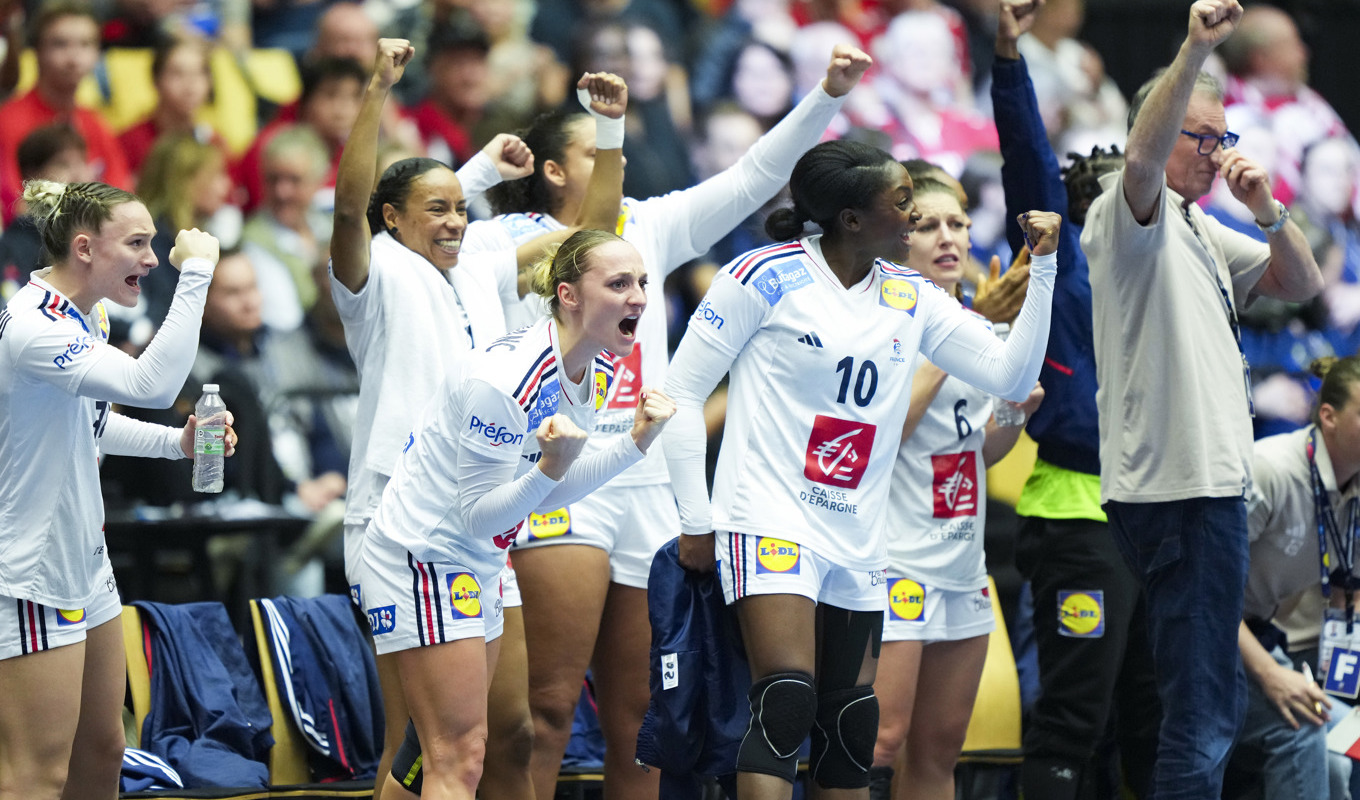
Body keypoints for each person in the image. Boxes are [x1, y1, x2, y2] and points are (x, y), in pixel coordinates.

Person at [457, 42, 873, 800]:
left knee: (648, 718)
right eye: (596, 148)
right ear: (554, 169)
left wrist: (827, 94)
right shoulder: (502, 243)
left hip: (645, 479)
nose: (617, 161)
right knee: (546, 709)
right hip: (561, 477)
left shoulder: (650, 225)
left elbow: (752, 178)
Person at [663, 137, 1061, 800]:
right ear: (852, 219)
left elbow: (1011, 373)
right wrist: (695, 519)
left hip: (856, 532)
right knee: (786, 700)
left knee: (851, 725)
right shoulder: (761, 277)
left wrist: (1043, 271)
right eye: (903, 202)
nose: (914, 216)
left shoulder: (910, 296)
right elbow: (677, 396)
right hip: (767, 515)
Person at [329, 38, 627, 800]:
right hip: (399, 519)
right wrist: (377, 88)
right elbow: (348, 200)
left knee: (513, 732)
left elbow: (592, 245)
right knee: (427, 747)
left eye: (464, 208)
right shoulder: (373, 273)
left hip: (483, 519)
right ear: (391, 218)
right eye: (439, 210)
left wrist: (613, 134)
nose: (458, 221)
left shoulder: (489, 261)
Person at [1079, 2, 1324, 796]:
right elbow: (1145, 155)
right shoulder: (1128, 208)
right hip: (1182, 488)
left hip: (1204, 487)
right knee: (1204, 707)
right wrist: (1192, 49)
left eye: (1224, 139)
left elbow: (1301, 282)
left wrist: (1267, 210)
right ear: (1159, 128)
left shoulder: (1195, 222)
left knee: (1191, 698)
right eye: (1202, 137)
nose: (1217, 154)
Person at [361, 228, 676, 800]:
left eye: (642, 283)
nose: (639, 297)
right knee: (459, 755)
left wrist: (634, 443)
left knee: (436, 752)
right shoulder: (505, 382)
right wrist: (550, 467)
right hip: (425, 555)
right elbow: (482, 513)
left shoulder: (597, 368)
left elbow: (545, 494)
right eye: (619, 283)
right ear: (569, 295)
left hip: (478, 556)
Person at [0, 179, 229, 800]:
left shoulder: (85, 314)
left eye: (155, 243)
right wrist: (199, 272)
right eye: (137, 243)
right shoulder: (34, 327)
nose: (154, 259)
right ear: (84, 249)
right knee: (34, 774)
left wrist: (176, 446)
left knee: (102, 750)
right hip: (29, 571)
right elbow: (153, 385)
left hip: (85, 561)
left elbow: (92, 424)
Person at [991, 2, 1160, 797]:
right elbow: (1026, 155)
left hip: (1156, 516)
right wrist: (1009, 60)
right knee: (1074, 721)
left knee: (1151, 718)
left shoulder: (1167, 273)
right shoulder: (1063, 272)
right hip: (1077, 512)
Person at [868, 177, 1044, 800]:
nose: (948, 237)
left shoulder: (988, 329)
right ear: (896, 238)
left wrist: (1017, 413)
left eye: (959, 222)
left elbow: (980, 452)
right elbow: (883, 434)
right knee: (878, 746)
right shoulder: (878, 323)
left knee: (941, 752)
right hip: (892, 564)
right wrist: (968, 325)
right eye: (927, 225)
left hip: (963, 564)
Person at [1227, 354, 1360, 800]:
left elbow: (1348, 592)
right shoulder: (1271, 469)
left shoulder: (1355, 489)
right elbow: (1200, 596)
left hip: (1259, 636)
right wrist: (1270, 675)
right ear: (1329, 417)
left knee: (1351, 747)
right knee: (1303, 722)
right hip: (1206, 639)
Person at [0, 2, 131, 224]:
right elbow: (16, 205)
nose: (74, 58)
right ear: (36, 51)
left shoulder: (95, 122)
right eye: (60, 44)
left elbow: (122, 198)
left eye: (85, 44)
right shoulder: (8, 120)